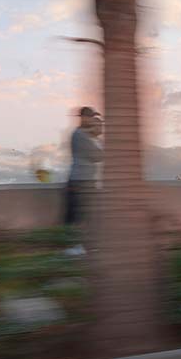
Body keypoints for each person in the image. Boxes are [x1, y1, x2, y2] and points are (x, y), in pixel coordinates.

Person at [64, 107, 103, 251]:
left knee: (88, 214)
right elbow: (98, 156)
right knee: (79, 215)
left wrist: (96, 134)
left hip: (86, 180)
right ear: (83, 118)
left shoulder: (88, 136)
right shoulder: (80, 135)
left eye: (94, 117)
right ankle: (76, 247)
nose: (93, 120)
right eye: (91, 117)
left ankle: (85, 246)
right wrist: (97, 134)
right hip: (80, 180)